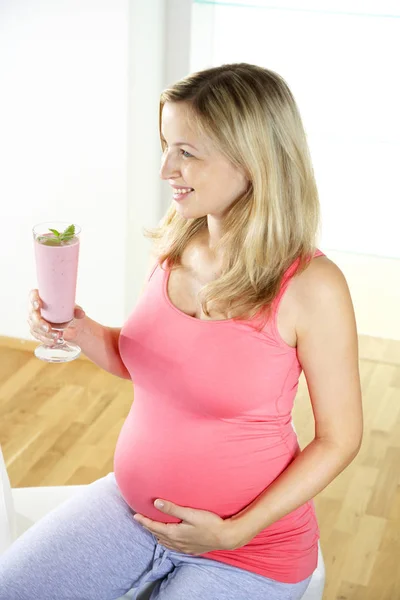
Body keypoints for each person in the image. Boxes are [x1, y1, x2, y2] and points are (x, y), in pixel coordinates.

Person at [1, 63, 363, 600]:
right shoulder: (174, 242)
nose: (166, 167)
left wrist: (235, 530)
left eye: (187, 152)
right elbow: (153, 360)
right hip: (130, 511)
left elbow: (340, 439)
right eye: (166, 145)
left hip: (247, 551)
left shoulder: (312, 286)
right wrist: (82, 331)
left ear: (253, 160)